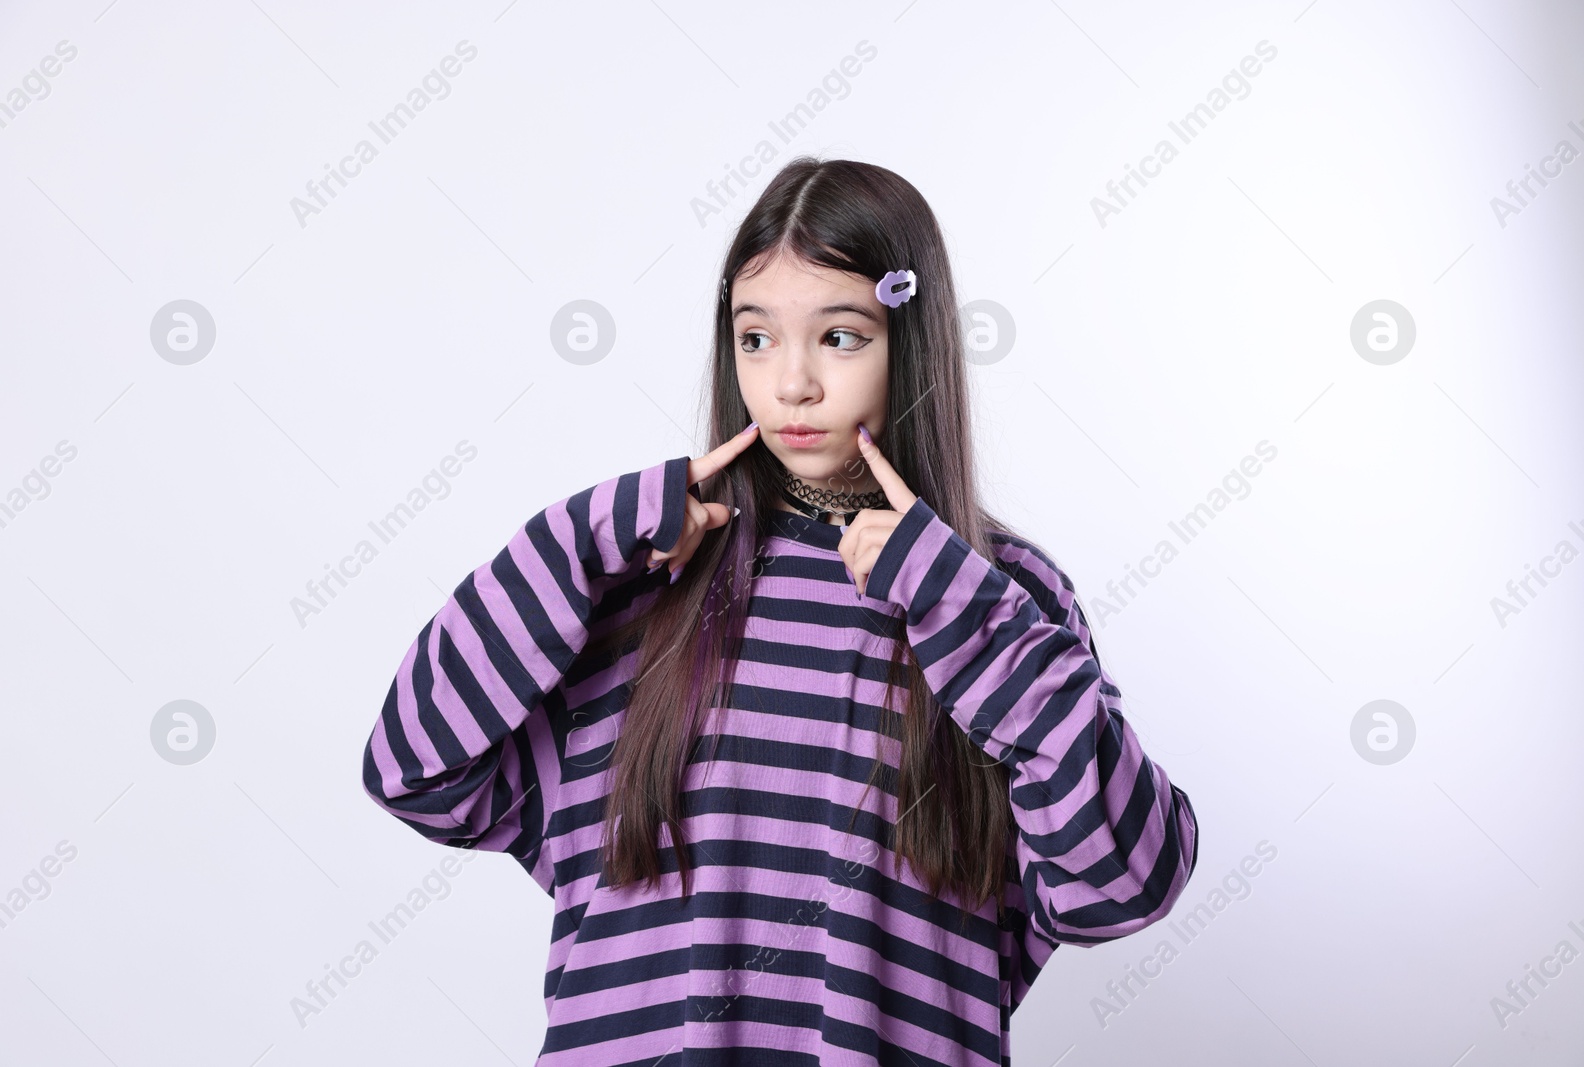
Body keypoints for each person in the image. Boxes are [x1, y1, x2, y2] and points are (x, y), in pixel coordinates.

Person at [361, 156, 1199, 1065]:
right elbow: (412, 766)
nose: (791, 382)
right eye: (756, 338)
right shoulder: (637, 584)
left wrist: (963, 607)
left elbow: (1122, 885)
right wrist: (579, 537)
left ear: (910, 345)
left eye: (840, 336)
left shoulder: (999, 597)